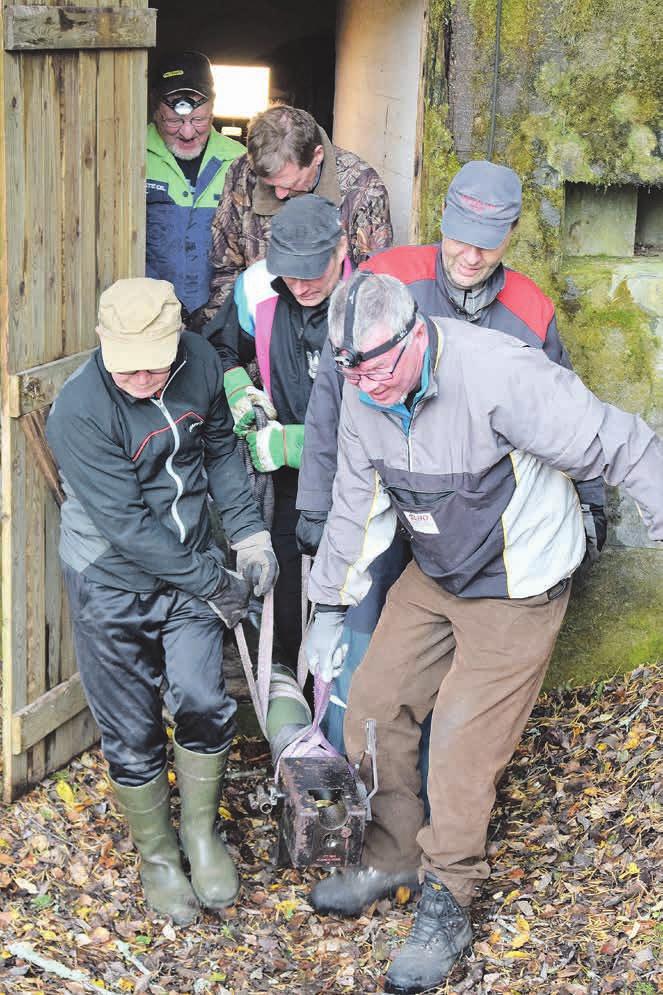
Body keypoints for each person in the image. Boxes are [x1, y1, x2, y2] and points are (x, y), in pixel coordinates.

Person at [303, 271, 663, 994]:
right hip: (438, 571)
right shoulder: (361, 387)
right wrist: (329, 609)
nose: (362, 380)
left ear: (413, 335)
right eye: (348, 367)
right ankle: (393, 853)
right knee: (371, 705)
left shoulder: (499, 373)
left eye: (374, 362)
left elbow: (623, 442)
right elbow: (354, 501)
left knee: (462, 747)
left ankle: (448, 902)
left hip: (517, 580)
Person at [296, 159, 606, 752]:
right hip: (387, 505)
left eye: (487, 246)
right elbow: (332, 405)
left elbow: (567, 412)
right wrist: (316, 504)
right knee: (365, 658)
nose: (470, 257)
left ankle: (434, 799)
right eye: (461, 240)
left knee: (456, 694)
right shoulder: (388, 281)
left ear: (510, 237)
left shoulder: (530, 311)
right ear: (442, 221)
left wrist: (590, 505)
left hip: (476, 522)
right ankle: (343, 786)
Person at [46, 278, 278, 925]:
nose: (143, 377)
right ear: (103, 345)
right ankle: (157, 854)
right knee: (131, 726)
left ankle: (201, 834)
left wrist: (250, 533)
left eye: (154, 361)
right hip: (110, 576)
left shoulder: (201, 363)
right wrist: (216, 582)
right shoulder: (79, 410)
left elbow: (221, 452)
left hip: (189, 562)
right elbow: (129, 529)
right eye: (128, 365)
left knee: (204, 696)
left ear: (177, 341)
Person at [206, 194, 351, 672]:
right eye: (292, 272)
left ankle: (341, 714)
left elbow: (387, 420)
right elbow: (219, 352)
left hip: (357, 484)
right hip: (286, 483)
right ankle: (292, 703)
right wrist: (239, 388)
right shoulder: (257, 288)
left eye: (314, 271)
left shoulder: (369, 301)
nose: (303, 285)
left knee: (351, 603)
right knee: (288, 597)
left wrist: (293, 445)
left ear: (342, 250)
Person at [201, 104, 393, 317]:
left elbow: (373, 287)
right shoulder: (243, 174)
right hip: (259, 324)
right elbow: (226, 271)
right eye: (271, 186)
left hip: (333, 328)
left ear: (317, 156)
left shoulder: (364, 190)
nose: (281, 195)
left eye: (290, 184)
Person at [146, 51, 244, 329]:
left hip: (220, 320)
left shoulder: (238, 160)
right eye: (174, 121)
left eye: (199, 120)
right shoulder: (131, 155)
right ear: (156, 109)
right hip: (149, 318)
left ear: (213, 107)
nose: (187, 133)